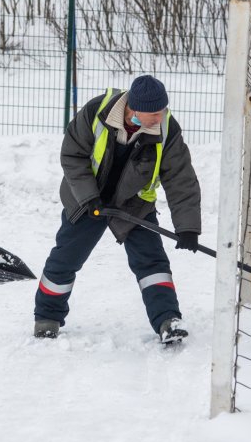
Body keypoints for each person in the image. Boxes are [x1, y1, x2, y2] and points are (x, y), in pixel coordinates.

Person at [33, 75, 201, 343]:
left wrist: (188, 226)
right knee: (66, 258)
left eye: (163, 110)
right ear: (135, 109)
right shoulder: (95, 112)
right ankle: (47, 317)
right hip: (86, 198)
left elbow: (181, 179)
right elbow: (72, 156)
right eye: (155, 113)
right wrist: (89, 198)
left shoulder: (166, 129)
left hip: (133, 203)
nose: (161, 117)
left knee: (152, 261)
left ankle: (167, 320)